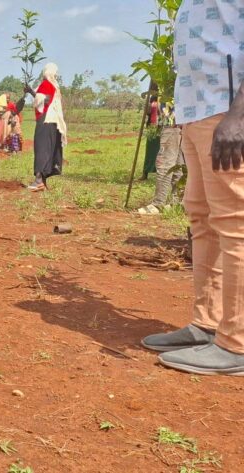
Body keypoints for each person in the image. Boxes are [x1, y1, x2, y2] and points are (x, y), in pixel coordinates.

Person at [142, 0, 244, 375]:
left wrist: (238, 115)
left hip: (227, 111)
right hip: (197, 111)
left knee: (235, 224)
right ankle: (207, 324)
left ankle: (237, 343)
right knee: (202, 219)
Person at [25, 64, 67, 192]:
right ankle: (42, 182)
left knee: (41, 149)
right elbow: (43, 98)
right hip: (53, 122)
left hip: (46, 120)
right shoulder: (54, 86)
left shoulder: (46, 84)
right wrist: (31, 91)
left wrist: (30, 91)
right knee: (48, 149)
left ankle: (38, 181)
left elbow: (45, 100)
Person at [138, 102, 184, 215]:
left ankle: (158, 204)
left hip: (171, 122)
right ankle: (177, 202)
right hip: (179, 123)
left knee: (165, 163)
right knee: (177, 165)